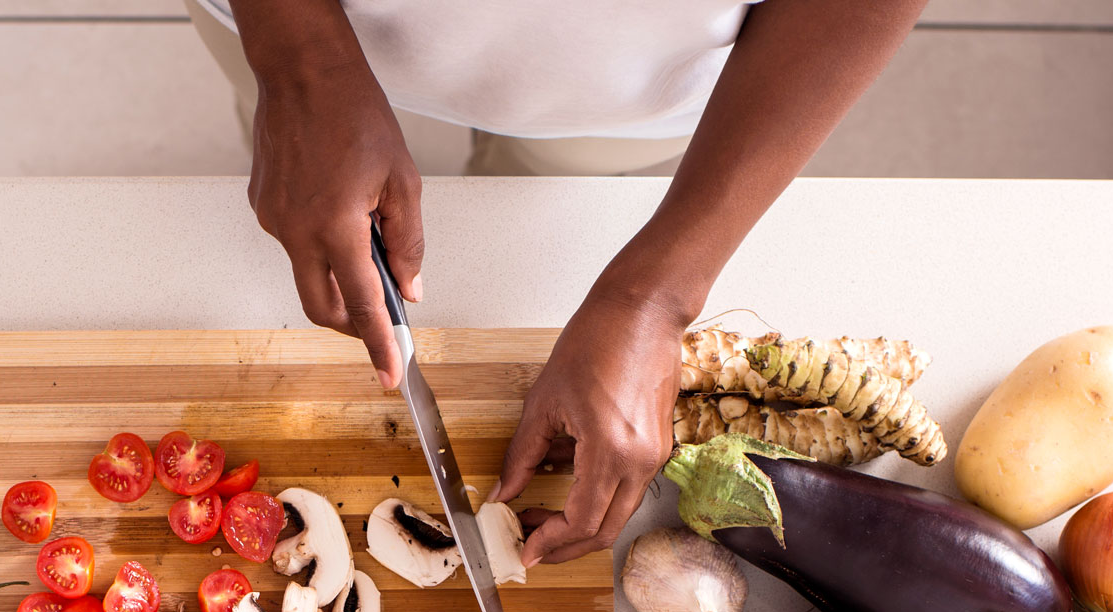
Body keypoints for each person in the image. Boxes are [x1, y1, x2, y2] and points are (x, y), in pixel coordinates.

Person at [186, 0, 929, 565]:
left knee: (537, 189)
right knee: (301, 173)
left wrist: (656, 295)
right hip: (303, 21)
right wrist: (298, 61)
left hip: (619, 91)